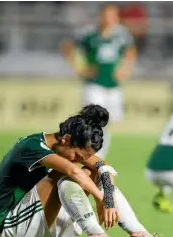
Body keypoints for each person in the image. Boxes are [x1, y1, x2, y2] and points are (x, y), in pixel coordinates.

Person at [0, 104, 173, 237]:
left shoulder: (67, 145)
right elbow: (73, 171)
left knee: (92, 173)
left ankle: (140, 236)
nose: (79, 160)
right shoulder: (31, 145)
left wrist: (107, 199)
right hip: (9, 234)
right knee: (63, 175)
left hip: (40, 232)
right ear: (65, 139)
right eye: (77, 155)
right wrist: (100, 199)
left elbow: (104, 168)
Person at [62, 3, 136, 159]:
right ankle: (79, 148)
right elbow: (67, 47)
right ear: (101, 16)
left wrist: (125, 69)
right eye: (107, 15)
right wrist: (79, 68)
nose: (109, 19)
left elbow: (130, 51)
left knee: (108, 122)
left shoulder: (121, 35)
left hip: (113, 85)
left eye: (113, 15)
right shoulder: (89, 33)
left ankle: (99, 153)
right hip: (94, 84)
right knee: (92, 119)